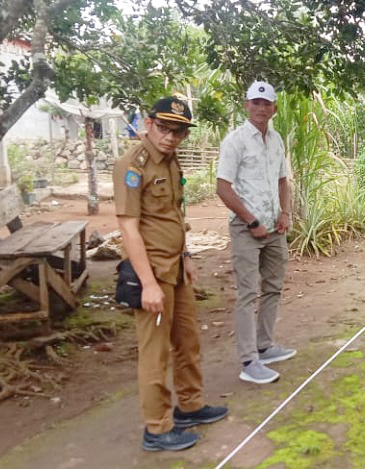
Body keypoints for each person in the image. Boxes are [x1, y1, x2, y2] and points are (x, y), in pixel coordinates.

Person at [113, 96, 228, 452]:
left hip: (176, 268)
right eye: (164, 127)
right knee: (155, 354)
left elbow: (174, 216)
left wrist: (187, 255)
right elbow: (129, 229)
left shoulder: (171, 161)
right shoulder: (132, 165)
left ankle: (190, 406)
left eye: (178, 131)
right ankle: (158, 428)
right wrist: (147, 284)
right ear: (148, 124)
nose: (171, 136)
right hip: (153, 273)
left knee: (188, 341)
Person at [216, 81, 296, 385]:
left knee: (274, 286)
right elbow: (223, 188)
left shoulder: (276, 140)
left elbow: (282, 181)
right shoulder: (235, 141)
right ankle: (249, 360)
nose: (262, 108)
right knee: (248, 293)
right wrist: (251, 221)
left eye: (267, 103)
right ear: (246, 105)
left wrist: (284, 213)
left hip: (275, 227)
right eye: (256, 102)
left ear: (274, 108)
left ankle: (265, 346)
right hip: (246, 228)